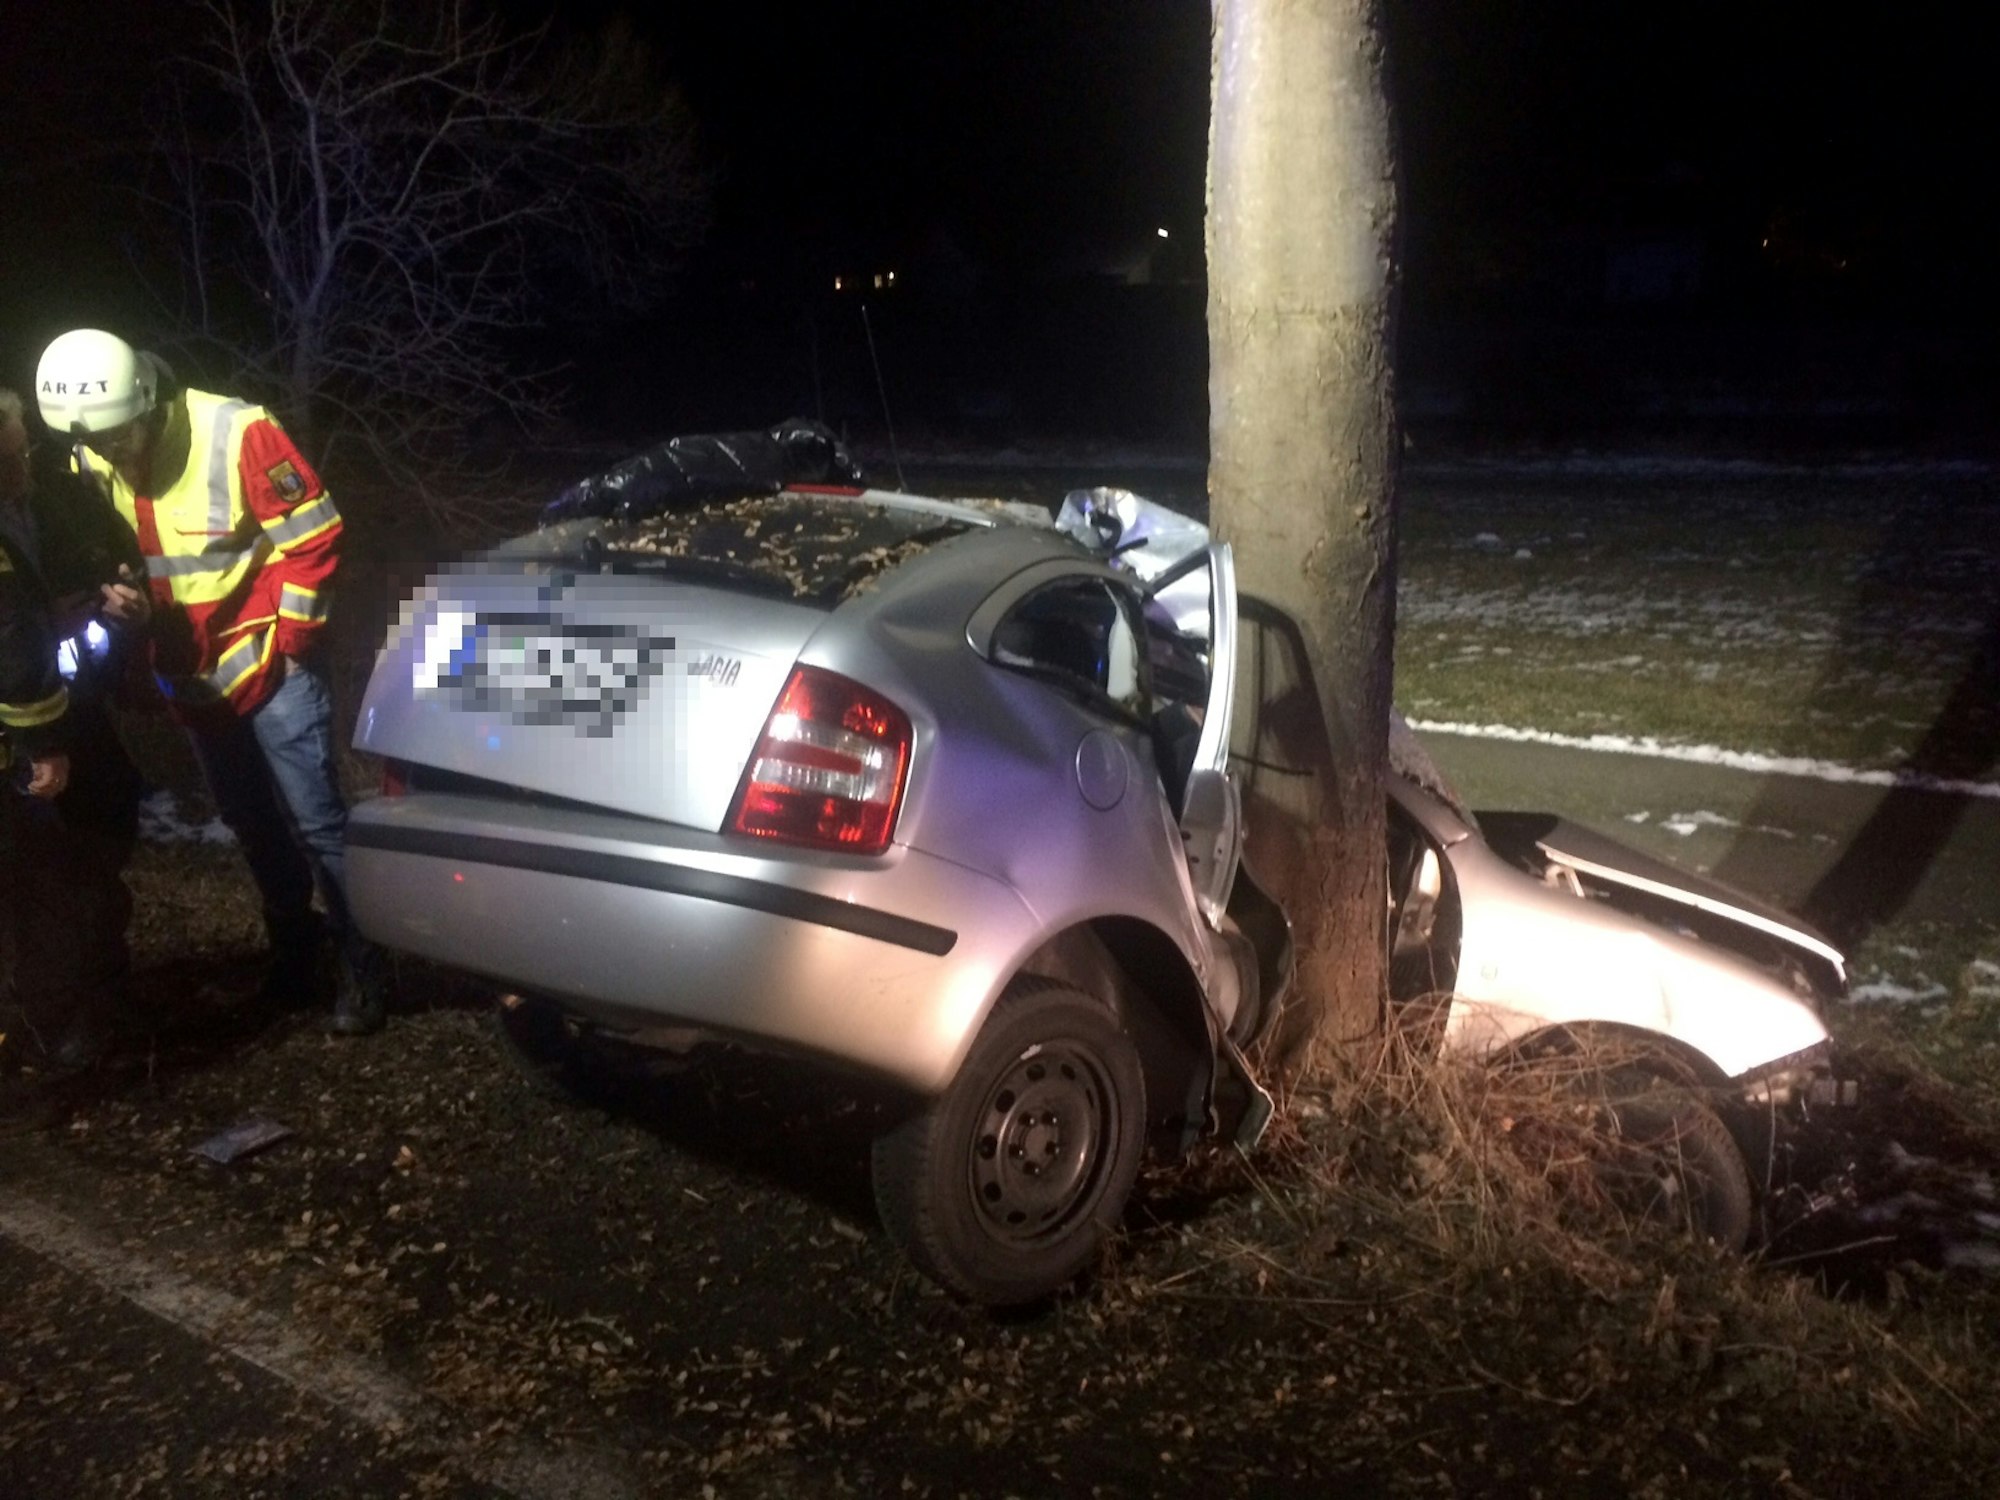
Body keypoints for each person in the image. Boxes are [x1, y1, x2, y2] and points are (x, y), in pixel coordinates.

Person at [35, 329, 385, 1036]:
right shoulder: (94, 446)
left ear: (147, 404)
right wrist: (130, 605)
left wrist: (293, 644)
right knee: (252, 824)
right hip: (193, 677)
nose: (109, 454)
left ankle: (366, 965)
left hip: (270, 663)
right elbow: (142, 554)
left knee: (319, 824)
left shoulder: (237, 432)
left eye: (118, 439)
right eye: (95, 444)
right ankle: (296, 953)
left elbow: (315, 536)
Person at [0, 387, 145, 1070]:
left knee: (103, 826)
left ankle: (103, 990)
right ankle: (63, 1026)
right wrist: (40, 748)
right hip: (25, 733)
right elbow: (11, 644)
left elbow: (98, 557)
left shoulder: (46, 500)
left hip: (67, 704)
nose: (23, 468)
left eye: (23, 452)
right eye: (10, 461)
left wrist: (107, 592)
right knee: (44, 883)